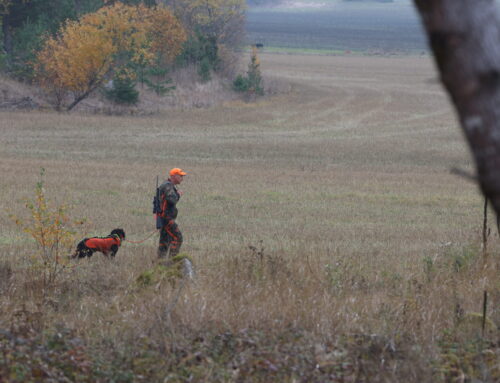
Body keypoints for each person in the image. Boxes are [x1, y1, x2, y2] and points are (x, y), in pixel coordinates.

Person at [157, 167, 186, 258]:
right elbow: (172, 200)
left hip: (163, 218)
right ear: (174, 176)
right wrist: (178, 194)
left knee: (164, 242)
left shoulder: (168, 185)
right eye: (180, 176)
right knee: (178, 238)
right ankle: (173, 261)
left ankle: (160, 264)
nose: (182, 178)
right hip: (166, 218)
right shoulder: (168, 186)